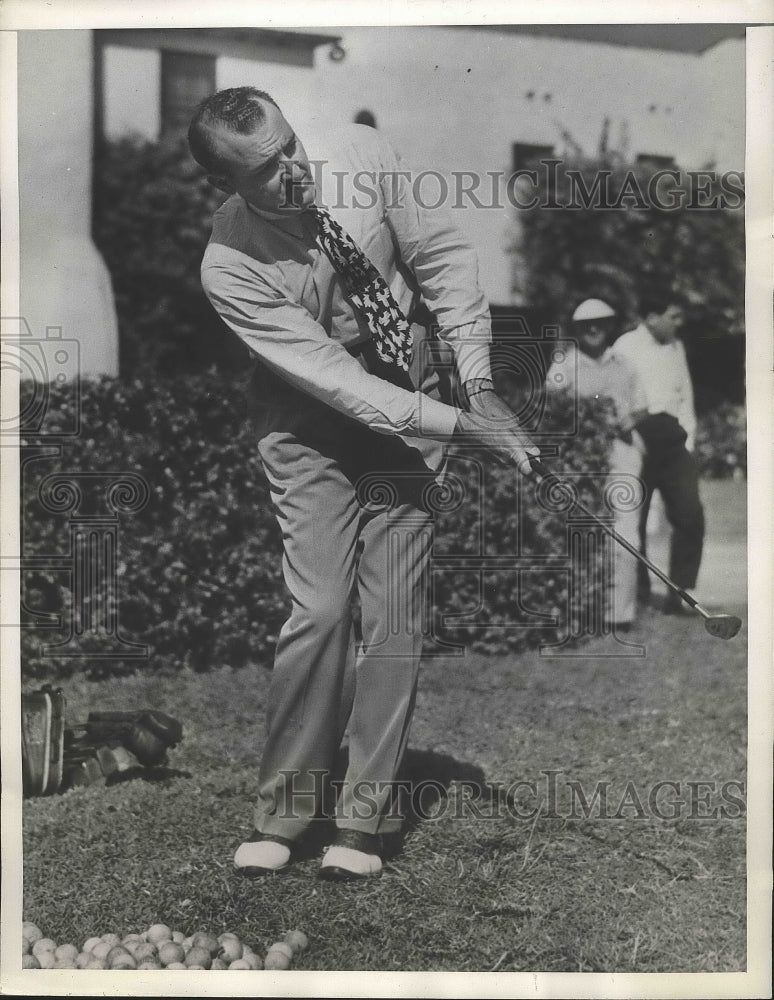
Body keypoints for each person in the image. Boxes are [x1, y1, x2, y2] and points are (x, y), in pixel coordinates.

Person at [186, 87, 539, 881]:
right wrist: (460, 427)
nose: (293, 173)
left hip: (410, 390)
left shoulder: (363, 156)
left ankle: (364, 820)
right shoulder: (230, 263)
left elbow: (442, 260)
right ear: (230, 184)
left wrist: (477, 384)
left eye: (290, 148)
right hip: (307, 416)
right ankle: (283, 810)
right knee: (317, 609)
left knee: (393, 613)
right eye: (267, 171)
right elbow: (336, 382)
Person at [545, 298, 648, 629]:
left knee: (626, 533)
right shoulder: (564, 366)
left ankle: (619, 615)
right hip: (579, 459)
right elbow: (552, 412)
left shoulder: (625, 364)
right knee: (580, 533)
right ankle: (581, 608)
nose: (593, 328)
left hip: (621, 454)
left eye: (600, 322)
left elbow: (642, 407)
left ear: (609, 325)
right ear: (577, 329)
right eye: (586, 324)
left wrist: (627, 417)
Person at [611, 293, 704, 614]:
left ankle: (678, 593)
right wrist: (629, 439)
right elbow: (614, 396)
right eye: (673, 316)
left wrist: (688, 442)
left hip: (674, 440)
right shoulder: (624, 347)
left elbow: (686, 396)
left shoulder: (677, 348)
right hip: (639, 439)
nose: (679, 323)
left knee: (690, 515)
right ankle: (638, 595)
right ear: (652, 317)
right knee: (634, 518)